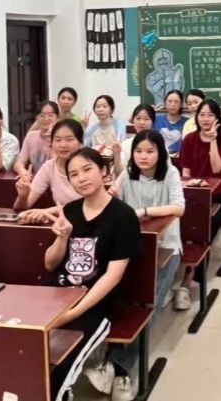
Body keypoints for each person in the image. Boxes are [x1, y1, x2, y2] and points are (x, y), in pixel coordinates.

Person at [42, 147, 141, 401]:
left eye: (87, 170)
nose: (81, 178)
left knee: (63, 368)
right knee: (22, 349)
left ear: (104, 172)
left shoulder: (123, 216)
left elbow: (112, 276)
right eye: (74, 174)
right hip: (58, 295)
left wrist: (74, 312)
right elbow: (50, 264)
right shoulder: (70, 211)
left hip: (96, 304)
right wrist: (61, 238)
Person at [112, 130, 185, 323]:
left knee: (151, 304)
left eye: (150, 151)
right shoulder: (128, 174)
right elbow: (115, 205)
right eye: (138, 151)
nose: (143, 156)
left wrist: (144, 211)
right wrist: (113, 197)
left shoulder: (171, 173)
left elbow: (179, 208)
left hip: (166, 246)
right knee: (126, 299)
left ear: (160, 152)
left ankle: (139, 342)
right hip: (133, 245)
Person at [179, 99, 221, 237]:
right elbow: (186, 170)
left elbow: (217, 169)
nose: (205, 119)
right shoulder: (189, 139)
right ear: (196, 117)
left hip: (219, 192)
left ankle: (203, 245)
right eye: (202, 115)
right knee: (182, 218)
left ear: (217, 118)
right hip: (195, 190)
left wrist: (213, 141)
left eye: (210, 115)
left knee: (209, 223)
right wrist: (188, 187)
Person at [15, 118, 84, 213]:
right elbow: (22, 208)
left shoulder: (89, 165)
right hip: (61, 221)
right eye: (58, 140)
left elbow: (93, 206)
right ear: (52, 143)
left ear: (80, 143)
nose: (63, 145)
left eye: (69, 139)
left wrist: (50, 211)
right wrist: (23, 196)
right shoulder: (49, 167)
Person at [14, 101, 61, 178]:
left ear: (58, 118)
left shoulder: (62, 138)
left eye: (51, 115)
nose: (46, 119)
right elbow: (18, 163)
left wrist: (53, 139)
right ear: (37, 118)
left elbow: (55, 166)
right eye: (42, 115)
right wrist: (22, 171)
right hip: (36, 180)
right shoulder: (31, 136)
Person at [154, 90, 187, 154]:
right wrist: (149, 111)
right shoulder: (156, 120)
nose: (172, 104)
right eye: (170, 101)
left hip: (180, 158)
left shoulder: (187, 123)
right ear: (165, 103)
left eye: (176, 102)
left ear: (181, 104)